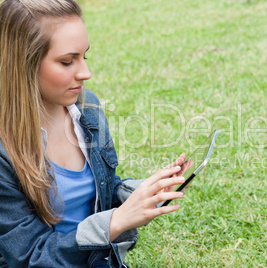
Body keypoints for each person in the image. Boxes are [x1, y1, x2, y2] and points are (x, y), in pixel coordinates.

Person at [0, 0, 190, 267]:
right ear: (23, 64)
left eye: (84, 56)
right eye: (67, 61)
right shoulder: (4, 152)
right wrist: (115, 222)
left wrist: (147, 191)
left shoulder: (87, 111)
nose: (85, 73)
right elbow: (28, 256)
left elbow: (102, 189)